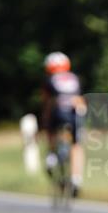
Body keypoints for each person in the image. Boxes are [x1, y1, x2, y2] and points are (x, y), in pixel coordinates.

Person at [41, 52, 86, 196]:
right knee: (77, 145)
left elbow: (48, 103)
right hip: (74, 113)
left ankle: (51, 156)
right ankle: (76, 178)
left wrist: (45, 121)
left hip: (58, 112)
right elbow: (80, 100)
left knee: (50, 128)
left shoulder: (50, 80)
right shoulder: (75, 78)